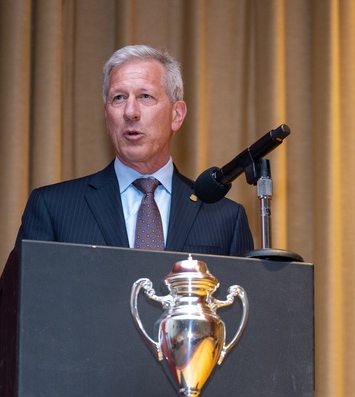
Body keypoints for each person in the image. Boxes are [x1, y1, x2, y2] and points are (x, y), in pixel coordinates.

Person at [16, 45, 254, 257]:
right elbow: (27, 302)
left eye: (145, 96)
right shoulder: (53, 208)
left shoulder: (225, 218)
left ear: (176, 115)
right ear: (107, 115)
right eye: (118, 98)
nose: (130, 112)